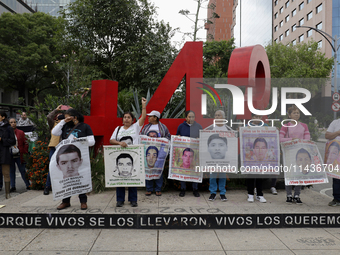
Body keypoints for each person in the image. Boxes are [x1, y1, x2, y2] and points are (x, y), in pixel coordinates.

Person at [52, 109, 95, 210]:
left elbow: (92, 141)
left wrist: (79, 141)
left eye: (67, 116)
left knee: (80, 178)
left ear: (74, 117)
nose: (65, 118)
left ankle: (83, 201)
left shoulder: (85, 126)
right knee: (67, 179)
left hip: (79, 158)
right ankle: (65, 201)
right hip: (65, 157)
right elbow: (54, 132)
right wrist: (63, 122)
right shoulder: (64, 126)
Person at [110, 97, 147, 207]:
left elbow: (144, 117)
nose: (126, 119)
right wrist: (119, 143)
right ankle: (120, 200)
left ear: (132, 119)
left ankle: (133, 199)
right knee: (120, 178)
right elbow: (111, 140)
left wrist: (143, 105)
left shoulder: (136, 127)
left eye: (129, 117)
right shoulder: (118, 129)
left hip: (133, 157)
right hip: (120, 157)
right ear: (122, 119)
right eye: (125, 117)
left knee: (133, 178)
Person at [280, 105, 310, 205]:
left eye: (298, 113)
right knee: (289, 174)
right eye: (294, 113)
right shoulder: (286, 126)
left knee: (299, 174)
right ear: (289, 115)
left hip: (300, 154)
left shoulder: (304, 126)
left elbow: (307, 138)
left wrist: (302, 142)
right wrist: (291, 140)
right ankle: (289, 195)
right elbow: (280, 138)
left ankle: (297, 195)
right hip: (289, 152)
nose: (296, 114)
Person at [141, 110, 170, 196]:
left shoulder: (163, 128)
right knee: (148, 169)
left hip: (159, 153)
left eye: (150, 116)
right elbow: (142, 137)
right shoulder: (146, 127)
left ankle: (158, 188)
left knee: (158, 169)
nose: (149, 118)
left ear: (155, 118)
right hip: (148, 152)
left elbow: (168, 137)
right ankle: (149, 188)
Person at [205, 110, 230, 202]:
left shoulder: (227, 129)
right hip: (213, 159)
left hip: (223, 159)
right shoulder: (210, 128)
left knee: (223, 175)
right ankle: (213, 193)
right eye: (215, 115)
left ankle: (222, 193)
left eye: (219, 115)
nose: (216, 117)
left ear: (223, 118)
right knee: (213, 176)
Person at [176, 110, 202, 197]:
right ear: (186, 118)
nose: (191, 118)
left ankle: (195, 189)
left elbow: (203, 138)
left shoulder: (199, 126)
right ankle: (183, 189)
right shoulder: (180, 126)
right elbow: (177, 138)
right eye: (189, 117)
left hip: (194, 154)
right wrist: (178, 137)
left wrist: (199, 138)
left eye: (193, 117)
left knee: (195, 169)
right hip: (185, 153)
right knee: (183, 169)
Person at [44, 105, 64, 195]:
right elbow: (48, 117)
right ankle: (47, 186)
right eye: (58, 116)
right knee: (52, 168)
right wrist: (56, 110)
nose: (59, 118)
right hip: (54, 147)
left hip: (63, 148)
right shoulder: (53, 124)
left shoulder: (66, 125)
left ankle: (62, 186)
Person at [8, 118, 30, 192]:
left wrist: (24, 151)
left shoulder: (20, 132)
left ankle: (28, 184)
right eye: (11, 122)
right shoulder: (7, 133)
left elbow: (26, 143)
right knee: (11, 171)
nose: (13, 123)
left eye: (14, 122)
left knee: (22, 170)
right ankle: (13, 186)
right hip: (10, 155)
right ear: (9, 123)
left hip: (19, 154)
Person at [0, 111, 16, 199]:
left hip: (4, 152)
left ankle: (7, 194)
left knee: (6, 173)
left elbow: (13, 141)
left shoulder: (8, 128)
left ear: (3, 117)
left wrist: (2, 140)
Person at [325, 115, 340, 206]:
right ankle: (337, 199)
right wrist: (338, 132)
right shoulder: (335, 122)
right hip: (337, 156)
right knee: (337, 178)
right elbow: (327, 135)